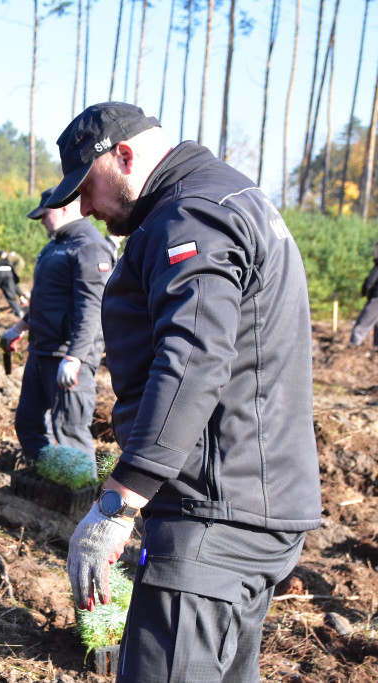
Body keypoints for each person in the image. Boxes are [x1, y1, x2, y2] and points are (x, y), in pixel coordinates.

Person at [50, 102, 321, 682]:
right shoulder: (229, 197)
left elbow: (194, 357)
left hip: (214, 520)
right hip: (251, 505)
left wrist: (122, 499)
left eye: (88, 189)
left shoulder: (190, 215)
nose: (87, 208)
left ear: (123, 155)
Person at [2, 187, 113, 467]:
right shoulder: (54, 246)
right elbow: (44, 299)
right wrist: (20, 327)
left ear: (65, 207)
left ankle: (81, 501)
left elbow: (93, 308)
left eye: (45, 214)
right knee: (28, 423)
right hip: (41, 351)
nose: (41, 221)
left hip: (66, 356)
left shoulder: (89, 247)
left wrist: (75, 357)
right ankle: (47, 480)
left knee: (70, 431)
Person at [348, 242, 378, 349]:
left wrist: (364, 290)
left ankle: (352, 349)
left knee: (361, 325)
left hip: (376, 300)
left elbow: (370, 283)